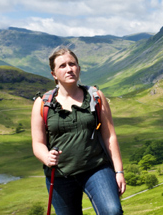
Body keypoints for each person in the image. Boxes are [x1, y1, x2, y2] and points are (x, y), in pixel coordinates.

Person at [31, 46, 125, 215]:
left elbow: (109, 135)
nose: (69, 69)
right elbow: (38, 143)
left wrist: (119, 171)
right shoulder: (42, 103)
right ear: (53, 74)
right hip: (60, 174)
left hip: (96, 168)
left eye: (72, 64)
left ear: (79, 68)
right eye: (62, 66)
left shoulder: (96, 97)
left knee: (112, 211)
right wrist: (46, 157)